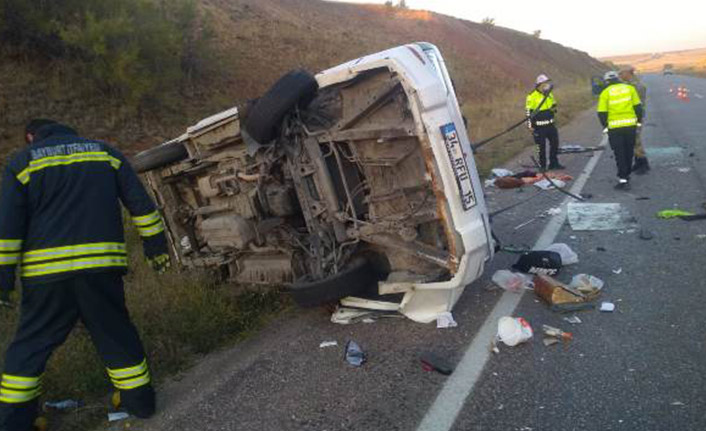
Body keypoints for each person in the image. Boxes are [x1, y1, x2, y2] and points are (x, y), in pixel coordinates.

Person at [0, 120, 171, 431]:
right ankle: (140, 403)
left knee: (30, 346)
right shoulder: (106, 153)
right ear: (71, 132)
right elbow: (142, 206)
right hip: (101, 269)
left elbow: (7, 230)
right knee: (115, 333)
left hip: (46, 276)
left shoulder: (21, 163)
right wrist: (155, 247)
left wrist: (3, 281)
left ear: (30, 137)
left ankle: (14, 422)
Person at [597, 71, 644, 190]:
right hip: (630, 126)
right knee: (628, 152)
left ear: (607, 81)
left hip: (615, 128)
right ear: (618, 79)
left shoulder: (605, 93)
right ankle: (627, 175)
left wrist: (605, 127)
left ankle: (623, 179)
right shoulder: (629, 89)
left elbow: (602, 113)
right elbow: (638, 107)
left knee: (619, 154)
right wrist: (638, 122)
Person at [526, 74, 564, 171]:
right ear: (539, 84)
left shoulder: (549, 94)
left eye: (547, 83)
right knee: (541, 148)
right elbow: (528, 112)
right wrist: (530, 126)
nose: (547, 85)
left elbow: (554, 104)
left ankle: (553, 163)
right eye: (545, 83)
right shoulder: (531, 96)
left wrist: (553, 110)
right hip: (539, 128)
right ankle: (542, 166)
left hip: (551, 126)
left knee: (555, 144)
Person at [619, 66, 650, 174]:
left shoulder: (636, 86)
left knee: (635, 139)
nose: (620, 76)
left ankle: (643, 163)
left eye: (622, 73)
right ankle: (638, 161)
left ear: (628, 73)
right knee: (634, 140)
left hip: (635, 115)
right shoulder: (631, 85)